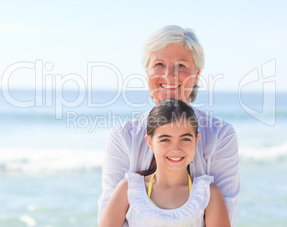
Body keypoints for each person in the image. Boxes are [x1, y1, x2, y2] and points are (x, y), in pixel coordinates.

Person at [98, 25, 240, 226]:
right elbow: (108, 214)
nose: (170, 75)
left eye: (181, 65)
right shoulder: (123, 137)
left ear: (197, 73)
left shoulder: (221, 135)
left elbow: (227, 213)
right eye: (159, 64)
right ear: (147, 71)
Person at [99, 99, 230, 227]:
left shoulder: (208, 193)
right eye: (165, 139)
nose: (176, 149)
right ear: (150, 142)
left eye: (185, 139)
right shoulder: (129, 189)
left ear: (196, 140)